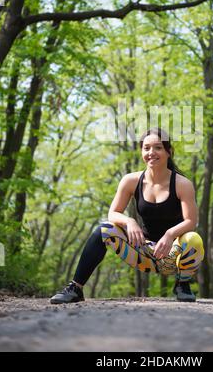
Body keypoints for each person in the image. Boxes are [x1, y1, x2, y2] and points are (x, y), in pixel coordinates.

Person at [50, 127, 204, 304]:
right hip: (143, 253)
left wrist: (170, 235)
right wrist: (129, 221)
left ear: (169, 152)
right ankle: (75, 288)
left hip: (172, 255)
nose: (151, 153)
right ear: (141, 151)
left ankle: (182, 284)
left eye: (158, 148)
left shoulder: (182, 184)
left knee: (193, 239)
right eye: (146, 148)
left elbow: (191, 221)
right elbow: (112, 213)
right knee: (104, 229)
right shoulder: (131, 180)